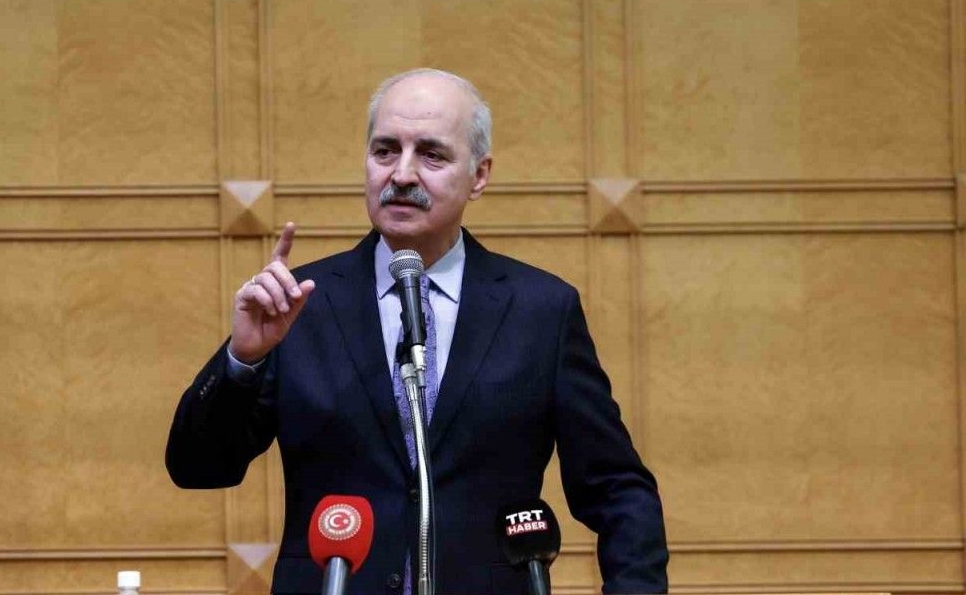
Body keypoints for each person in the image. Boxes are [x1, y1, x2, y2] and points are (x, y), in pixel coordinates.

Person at [166, 69, 668, 593]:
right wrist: (243, 360)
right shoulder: (300, 305)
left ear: (479, 175)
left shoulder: (540, 310)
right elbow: (198, 467)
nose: (402, 174)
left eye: (431, 155)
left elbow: (617, 490)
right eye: (385, 151)